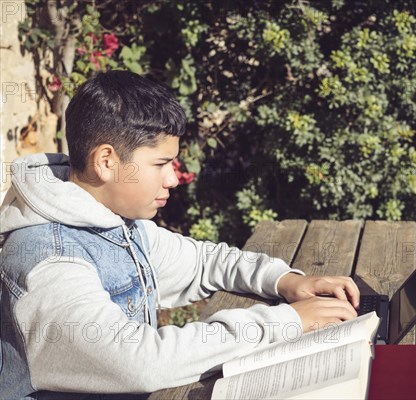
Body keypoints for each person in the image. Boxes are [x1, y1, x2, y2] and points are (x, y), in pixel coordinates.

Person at [0, 70, 359, 399]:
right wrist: (288, 321)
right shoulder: (48, 261)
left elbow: (205, 261)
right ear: (106, 161)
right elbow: (138, 362)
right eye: (160, 164)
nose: (172, 179)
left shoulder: (116, 224)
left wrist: (283, 280)